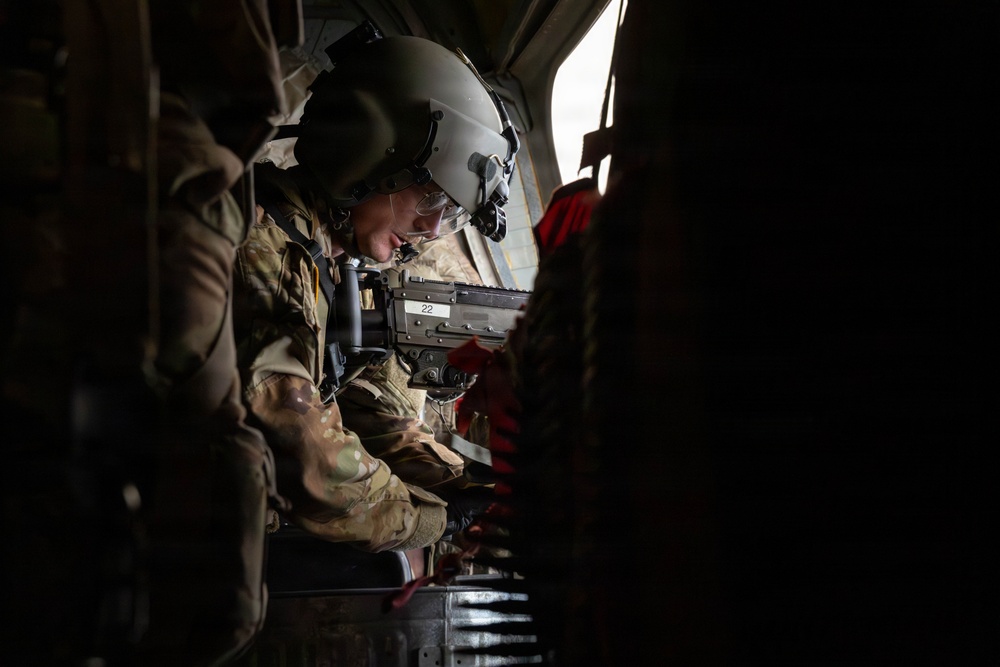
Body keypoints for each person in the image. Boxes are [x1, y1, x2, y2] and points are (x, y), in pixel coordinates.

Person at [233, 29, 517, 553]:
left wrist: (467, 486)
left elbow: (369, 411)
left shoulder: (330, 265)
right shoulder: (267, 248)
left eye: (449, 217)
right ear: (367, 155)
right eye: (431, 201)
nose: (433, 231)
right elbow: (307, 455)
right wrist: (437, 521)